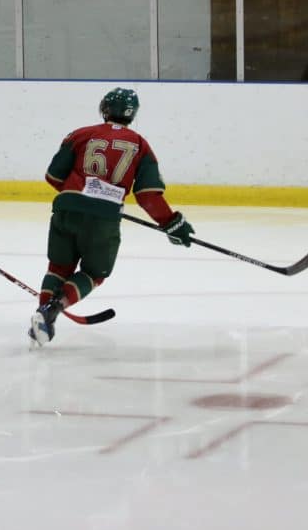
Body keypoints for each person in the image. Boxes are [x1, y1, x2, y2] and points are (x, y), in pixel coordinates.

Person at [30, 87, 194, 347]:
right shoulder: (140, 145)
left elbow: (53, 176)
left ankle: (43, 316)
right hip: (104, 219)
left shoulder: (80, 135)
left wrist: (81, 193)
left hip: (66, 208)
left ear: (104, 108)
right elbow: (148, 196)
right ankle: (55, 308)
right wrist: (171, 222)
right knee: (94, 273)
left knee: (58, 268)